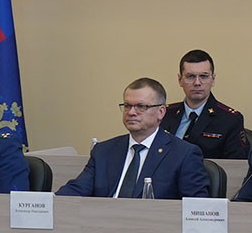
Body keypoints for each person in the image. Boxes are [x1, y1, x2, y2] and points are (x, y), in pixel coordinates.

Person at [57, 78, 212, 198]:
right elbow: (75, 192)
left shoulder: (183, 154)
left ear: (161, 112)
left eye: (141, 106)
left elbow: (196, 208)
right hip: (102, 225)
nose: (131, 112)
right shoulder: (103, 151)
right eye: (127, 106)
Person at [159, 49, 249, 159]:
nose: (197, 83)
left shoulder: (230, 120)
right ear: (180, 80)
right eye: (190, 76)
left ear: (213, 79)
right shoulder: (163, 114)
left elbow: (236, 165)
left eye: (203, 76)